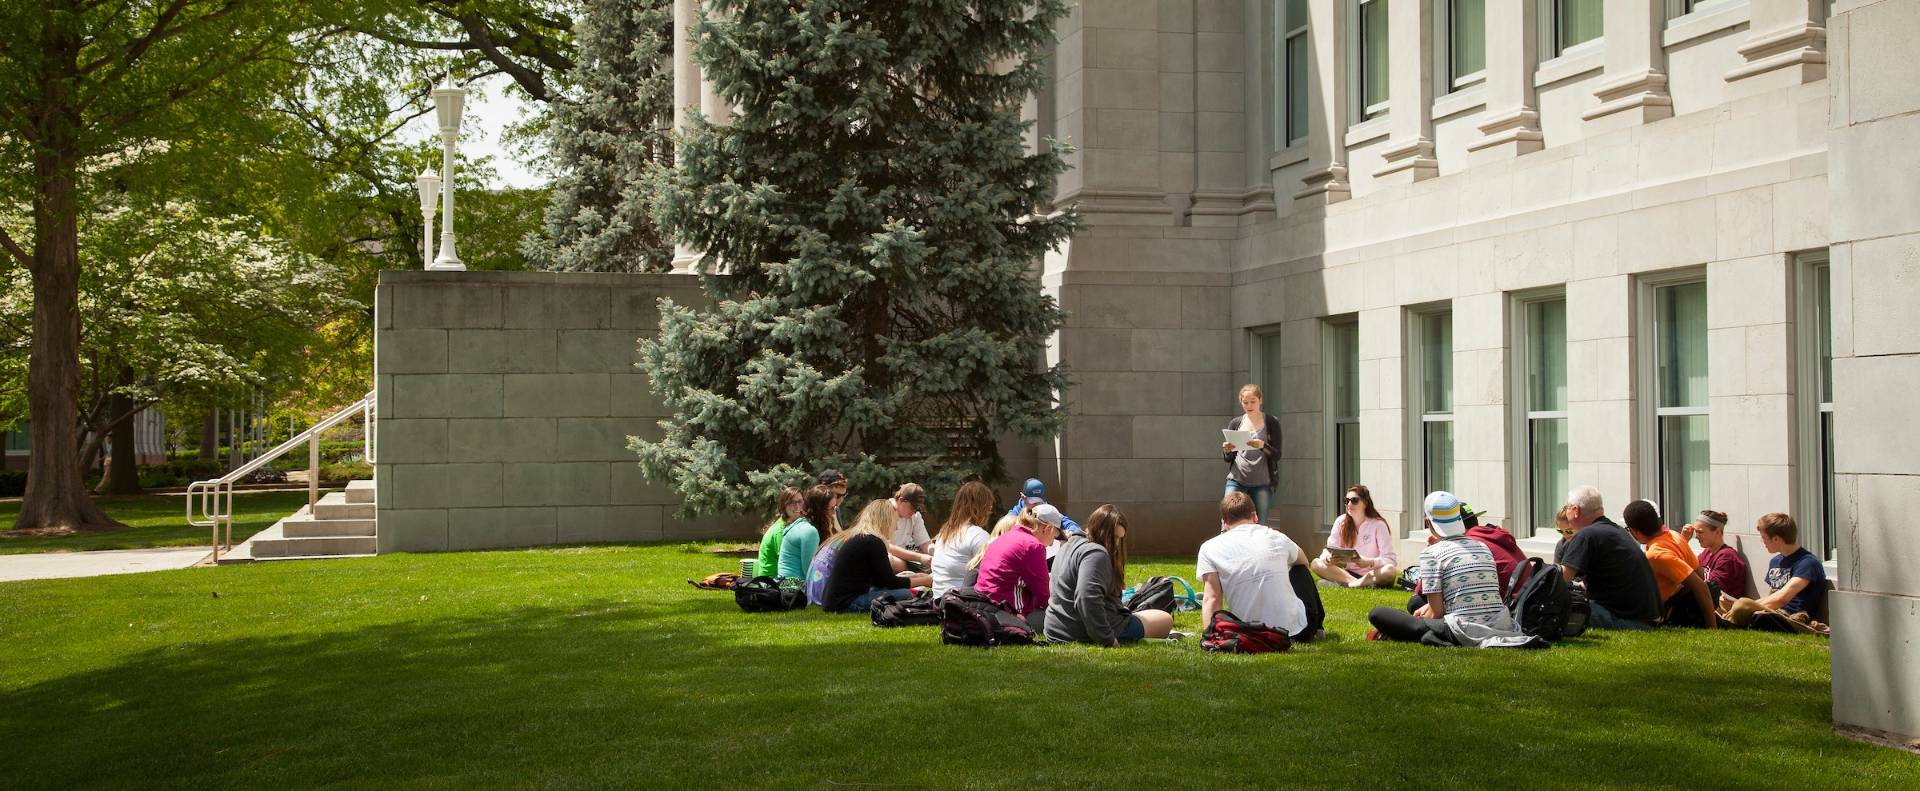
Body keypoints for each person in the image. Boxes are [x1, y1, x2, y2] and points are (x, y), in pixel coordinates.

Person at [1367, 492, 1534, 647]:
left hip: (1462, 628)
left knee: (1378, 613)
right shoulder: (1482, 547)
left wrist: (1412, 622)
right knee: (1418, 610)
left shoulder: (1431, 553)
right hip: (1501, 624)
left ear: (1428, 522)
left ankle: (1405, 633)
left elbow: (1436, 613)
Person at [1195, 491, 1326, 643]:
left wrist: (1210, 637)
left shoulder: (1209, 548)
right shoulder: (1275, 536)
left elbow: (1212, 598)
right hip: (1296, 632)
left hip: (1248, 632)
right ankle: (1318, 627)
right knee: (1300, 570)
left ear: (1224, 522)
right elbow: (1303, 561)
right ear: (1255, 516)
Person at [1045, 504, 1173, 645]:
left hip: (1056, 629)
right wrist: (1107, 638)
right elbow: (1086, 597)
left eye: (1120, 538)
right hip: (1083, 632)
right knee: (1165, 619)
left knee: (1144, 614)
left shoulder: (1069, 544)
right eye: (1114, 537)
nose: (1117, 544)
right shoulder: (1095, 553)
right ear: (1101, 531)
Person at [1557, 486, 1662, 630]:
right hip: (1647, 619)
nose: (1566, 510)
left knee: (1559, 607)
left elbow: (1561, 578)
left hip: (1628, 620)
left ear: (1576, 511)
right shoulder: (1617, 531)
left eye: (1567, 507)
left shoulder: (1586, 535)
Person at [813, 500, 932, 613]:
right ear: (886, 521)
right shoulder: (874, 542)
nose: (895, 527)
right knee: (905, 594)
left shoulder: (862, 538)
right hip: (846, 603)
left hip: (836, 601)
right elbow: (890, 582)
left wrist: (915, 576)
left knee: (900, 591)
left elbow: (880, 580)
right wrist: (925, 580)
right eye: (894, 522)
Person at [1720, 513, 1828, 628]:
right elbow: (1772, 596)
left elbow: (1782, 598)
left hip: (1790, 618)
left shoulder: (1807, 563)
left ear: (1776, 539)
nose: (1762, 542)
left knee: (1742, 604)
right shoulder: (1775, 561)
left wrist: (1746, 605)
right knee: (1724, 602)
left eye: (1764, 538)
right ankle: (1728, 620)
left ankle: (1726, 622)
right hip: (1772, 612)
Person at [1622, 499, 1716, 629]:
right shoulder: (1674, 536)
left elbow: (1700, 586)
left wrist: (1712, 628)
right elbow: (1700, 574)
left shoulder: (1656, 554)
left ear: (1635, 531)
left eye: (1628, 529)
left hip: (1664, 614)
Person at [973, 512, 1054, 628]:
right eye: (1055, 536)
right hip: (1008, 613)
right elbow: (1045, 597)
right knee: (1062, 620)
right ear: (1048, 528)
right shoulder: (1034, 546)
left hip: (984, 608)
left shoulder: (1004, 538)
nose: (1052, 544)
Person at [1311, 484, 1399, 588]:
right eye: (1346, 501)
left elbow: (1391, 560)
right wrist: (1328, 559)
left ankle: (1346, 584)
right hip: (1349, 573)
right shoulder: (1341, 522)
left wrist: (1369, 562)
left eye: (1354, 500)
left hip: (1374, 573)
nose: (1349, 504)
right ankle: (1357, 584)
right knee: (1316, 563)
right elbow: (1328, 550)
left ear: (1365, 503)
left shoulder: (1378, 524)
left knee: (1390, 570)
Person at [1220, 384, 1282, 525]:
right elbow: (1228, 458)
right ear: (1241, 403)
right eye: (1245, 402)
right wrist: (1227, 450)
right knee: (1227, 520)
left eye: (1253, 401)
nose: (1249, 405)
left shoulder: (1271, 422)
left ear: (1260, 400)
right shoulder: (1236, 423)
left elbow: (1277, 455)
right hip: (1237, 479)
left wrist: (1262, 446)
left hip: (1262, 482)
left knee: (1261, 523)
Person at [929, 481, 995, 597]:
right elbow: (992, 576)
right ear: (982, 507)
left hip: (939, 600)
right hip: (962, 605)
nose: (990, 510)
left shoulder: (944, 532)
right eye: (988, 505)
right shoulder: (978, 536)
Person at [1685, 509, 1748, 598]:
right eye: (1696, 532)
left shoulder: (1727, 557)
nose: (1696, 536)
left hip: (1721, 609)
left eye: (1700, 532)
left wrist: (1684, 544)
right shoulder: (1707, 552)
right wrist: (1684, 540)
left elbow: (1711, 590)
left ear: (1717, 532)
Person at [776, 484, 834, 579]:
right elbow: (811, 573)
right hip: (794, 589)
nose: (834, 513)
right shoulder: (809, 531)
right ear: (821, 510)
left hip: (788, 587)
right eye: (831, 509)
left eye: (800, 502)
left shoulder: (801, 525)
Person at [752, 486, 804, 577]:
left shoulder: (793, 524)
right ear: (784, 506)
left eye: (800, 501)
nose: (797, 506)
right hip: (772, 583)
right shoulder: (780, 531)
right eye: (791, 502)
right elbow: (787, 563)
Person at [1005, 478, 1082, 536]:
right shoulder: (1015, 513)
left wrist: (1072, 531)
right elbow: (1005, 524)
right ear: (1023, 497)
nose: (1036, 505)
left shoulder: (1045, 509)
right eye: (1032, 501)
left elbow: (1066, 522)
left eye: (1038, 501)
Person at [890, 483, 933, 553]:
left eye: (917, 509)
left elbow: (924, 543)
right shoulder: (885, 510)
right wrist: (918, 557)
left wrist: (933, 551)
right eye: (913, 507)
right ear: (901, 500)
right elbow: (886, 547)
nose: (914, 512)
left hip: (904, 555)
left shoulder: (915, 516)